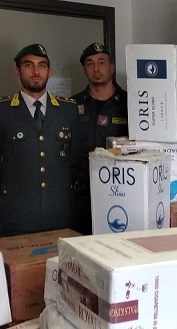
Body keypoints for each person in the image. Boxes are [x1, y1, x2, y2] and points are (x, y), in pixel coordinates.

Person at [0, 43, 80, 237]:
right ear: (17, 71)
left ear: (49, 72)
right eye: (28, 65)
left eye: (42, 65)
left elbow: (74, 159)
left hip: (59, 209)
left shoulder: (68, 109)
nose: (36, 71)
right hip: (18, 211)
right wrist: (12, 190)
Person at [71, 42, 128, 234]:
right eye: (90, 64)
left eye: (101, 62)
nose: (96, 69)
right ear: (84, 70)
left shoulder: (130, 104)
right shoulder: (71, 105)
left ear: (111, 68)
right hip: (80, 195)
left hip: (119, 189)